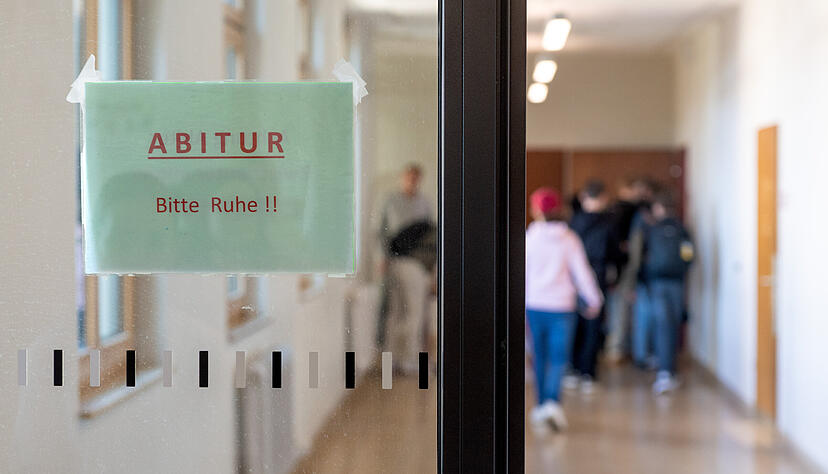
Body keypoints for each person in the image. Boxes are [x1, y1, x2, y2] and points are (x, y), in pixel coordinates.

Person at [526, 187, 603, 432]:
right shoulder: (569, 238)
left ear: (536, 209)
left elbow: (521, 274)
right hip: (562, 307)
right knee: (559, 359)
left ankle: (541, 405)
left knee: (540, 357)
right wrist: (594, 300)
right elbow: (582, 273)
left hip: (535, 305)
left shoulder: (529, 238)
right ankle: (552, 403)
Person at [565, 180, 623, 394]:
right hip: (598, 276)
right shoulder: (609, 222)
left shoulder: (574, 222)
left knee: (574, 323)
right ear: (603, 198)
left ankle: (572, 369)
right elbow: (616, 253)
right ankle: (588, 372)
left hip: (572, 279)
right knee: (593, 325)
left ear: (584, 197)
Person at [377, 163, 434, 373]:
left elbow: (430, 237)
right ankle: (390, 361)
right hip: (395, 262)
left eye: (415, 178)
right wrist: (381, 257)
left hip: (417, 264)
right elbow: (381, 231)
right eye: (409, 177)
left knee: (415, 314)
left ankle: (409, 360)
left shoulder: (424, 204)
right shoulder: (390, 201)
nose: (412, 181)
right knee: (394, 313)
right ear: (403, 178)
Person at [642, 190, 694, 394]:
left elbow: (644, 257)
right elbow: (689, 256)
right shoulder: (682, 230)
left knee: (661, 324)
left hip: (657, 282)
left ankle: (664, 370)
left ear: (658, 209)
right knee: (672, 324)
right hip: (677, 282)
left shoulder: (652, 230)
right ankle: (669, 369)